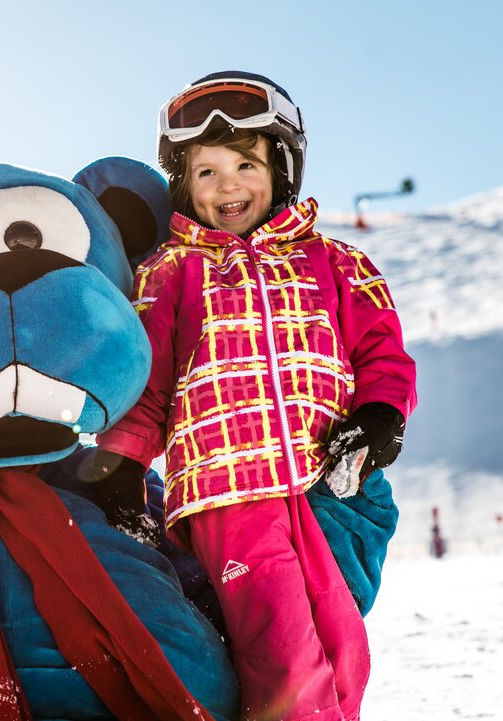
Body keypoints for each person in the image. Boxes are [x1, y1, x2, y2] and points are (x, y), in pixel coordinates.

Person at [91, 71, 416, 721]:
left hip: (322, 480)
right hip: (227, 492)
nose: (227, 184)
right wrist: (122, 462)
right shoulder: (173, 272)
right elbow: (150, 385)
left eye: (245, 162)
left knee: (341, 643)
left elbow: (380, 352)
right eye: (204, 171)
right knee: (283, 649)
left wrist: (379, 413)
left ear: (284, 167)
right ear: (182, 185)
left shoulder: (336, 263)